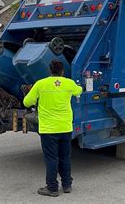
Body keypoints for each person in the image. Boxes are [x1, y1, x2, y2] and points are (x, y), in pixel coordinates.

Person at [23, 60, 82, 197]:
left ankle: (52, 188)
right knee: (65, 157)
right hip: (65, 127)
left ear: (50, 70)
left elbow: (27, 102)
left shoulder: (41, 84)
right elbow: (79, 90)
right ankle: (67, 185)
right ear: (62, 71)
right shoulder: (69, 83)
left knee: (51, 159)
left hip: (48, 130)